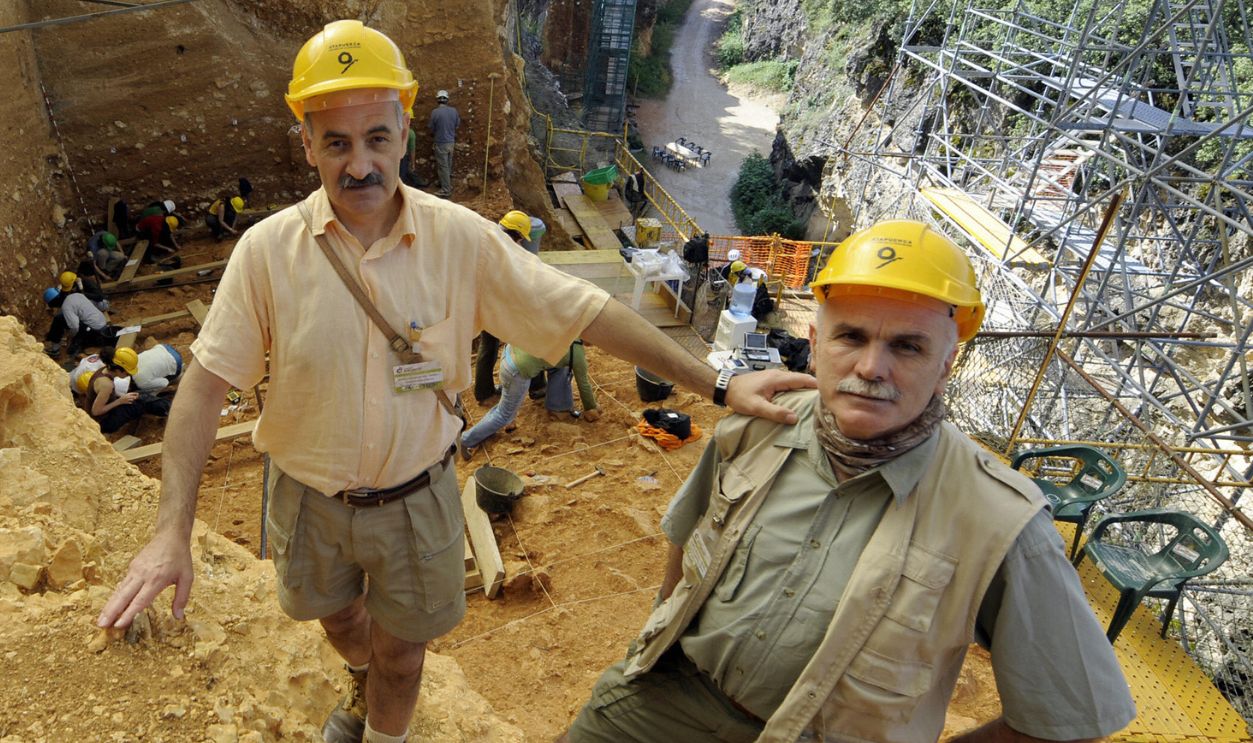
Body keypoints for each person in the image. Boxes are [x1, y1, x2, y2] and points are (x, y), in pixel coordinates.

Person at [95, 20, 812, 743]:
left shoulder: (459, 239)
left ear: (404, 132)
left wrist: (717, 385)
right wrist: (169, 535)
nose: (360, 165)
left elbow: (587, 310)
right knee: (340, 621)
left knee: (403, 658)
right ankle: (358, 673)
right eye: (336, 143)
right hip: (306, 498)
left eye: (376, 137)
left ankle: (384, 731)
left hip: (416, 499)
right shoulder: (266, 253)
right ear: (306, 143)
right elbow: (205, 385)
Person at [559, 220, 1137, 743]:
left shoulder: (1000, 520)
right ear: (816, 344)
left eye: (907, 346)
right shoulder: (757, 430)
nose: (870, 368)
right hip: (669, 697)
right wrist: (654, 642)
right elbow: (686, 538)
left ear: (945, 366)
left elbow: (1070, 717)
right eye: (851, 337)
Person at [461, 340, 598, 458]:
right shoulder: (577, 353)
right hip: (516, 371)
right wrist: (591, 407)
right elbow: (584, 384)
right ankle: (466, 440)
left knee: (562, 367)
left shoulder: (566, 331)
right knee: (504, 415)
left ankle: (557, 406)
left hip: (511, 352)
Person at [474, 210, 538, 404]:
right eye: (519, 239)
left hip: (486, 303)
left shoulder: (490, 238)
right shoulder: (500, 249)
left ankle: (484, 392)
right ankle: (536, 387)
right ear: (516, 234)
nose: (519, 243)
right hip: (492, 306)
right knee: (526, 340)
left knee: (489, 346)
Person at [81, 348, 171, 433]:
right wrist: (120, 401)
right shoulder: (106, 385)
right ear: (117, 369)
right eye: (127, 372)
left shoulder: (103, 370)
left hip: (101, 415)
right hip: (103, 422)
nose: (128, 375)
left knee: (139, 394)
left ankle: (165, 406)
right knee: (140, 402)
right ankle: (169, 410)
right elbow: (96, 411)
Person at [43, 287, 120, 357]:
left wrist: (70, 336)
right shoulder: (76, 295)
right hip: (102, 323)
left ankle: (55, 350)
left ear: (54, 302)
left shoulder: (66, 307)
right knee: (61, 317)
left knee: (59, 320)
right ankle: (57, 344)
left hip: (95, 332)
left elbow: (75, 327)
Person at [106, 343, 184, 393]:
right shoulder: (130, 360)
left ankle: (180, 375)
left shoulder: (141, 383)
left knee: (155, 386)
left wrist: (152, 393)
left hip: (176, 362)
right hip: (164, 347)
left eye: (116, 374)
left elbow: (165, 383)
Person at [427, 89, 460, 198]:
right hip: (451, 142)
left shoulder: (435, 112)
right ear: (447, 100)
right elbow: (457, 125)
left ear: (438, 100)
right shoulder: (454, 111)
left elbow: (431, 128)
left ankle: (446, 190)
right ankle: (446, 184)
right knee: (448, 165)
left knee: (443, 167)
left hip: (441, 142)